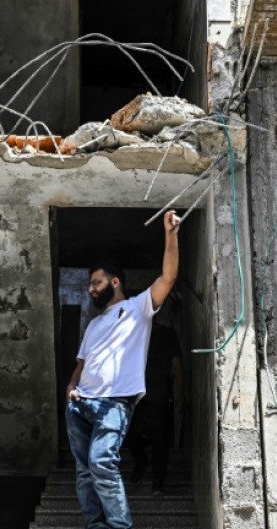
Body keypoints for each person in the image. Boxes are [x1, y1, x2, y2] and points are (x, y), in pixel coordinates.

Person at [64, 210, 180, 529]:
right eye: (89, 284)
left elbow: (168, 277)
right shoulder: (94, 324)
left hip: (114, 403)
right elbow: (81, 363)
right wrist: (71, 387)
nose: (90, 289)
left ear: (114, 282)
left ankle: (119, 526)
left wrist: (170, 234)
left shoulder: (137, 309)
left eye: (95, 282)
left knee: (102, 462)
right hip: (79, 404)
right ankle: (95, 525)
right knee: (84, 471)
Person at [126, 321, 183, 495]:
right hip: (135, 398)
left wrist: (180, 397)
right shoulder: (132, 334)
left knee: (161, 443)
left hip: (160, 397)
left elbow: (177, 367)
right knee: (131, 436)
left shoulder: (167, 335)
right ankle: (141, 462)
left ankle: (158, 481)